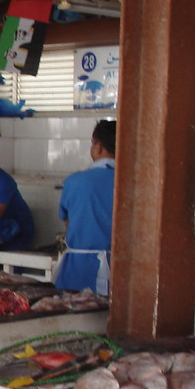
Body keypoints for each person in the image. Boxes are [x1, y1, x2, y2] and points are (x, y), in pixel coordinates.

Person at [54, 119, 116, 295]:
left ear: (98, 146)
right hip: (123, 271)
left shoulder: (75, 181)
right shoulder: (136, 182)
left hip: (78, 271)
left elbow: (68, 221)